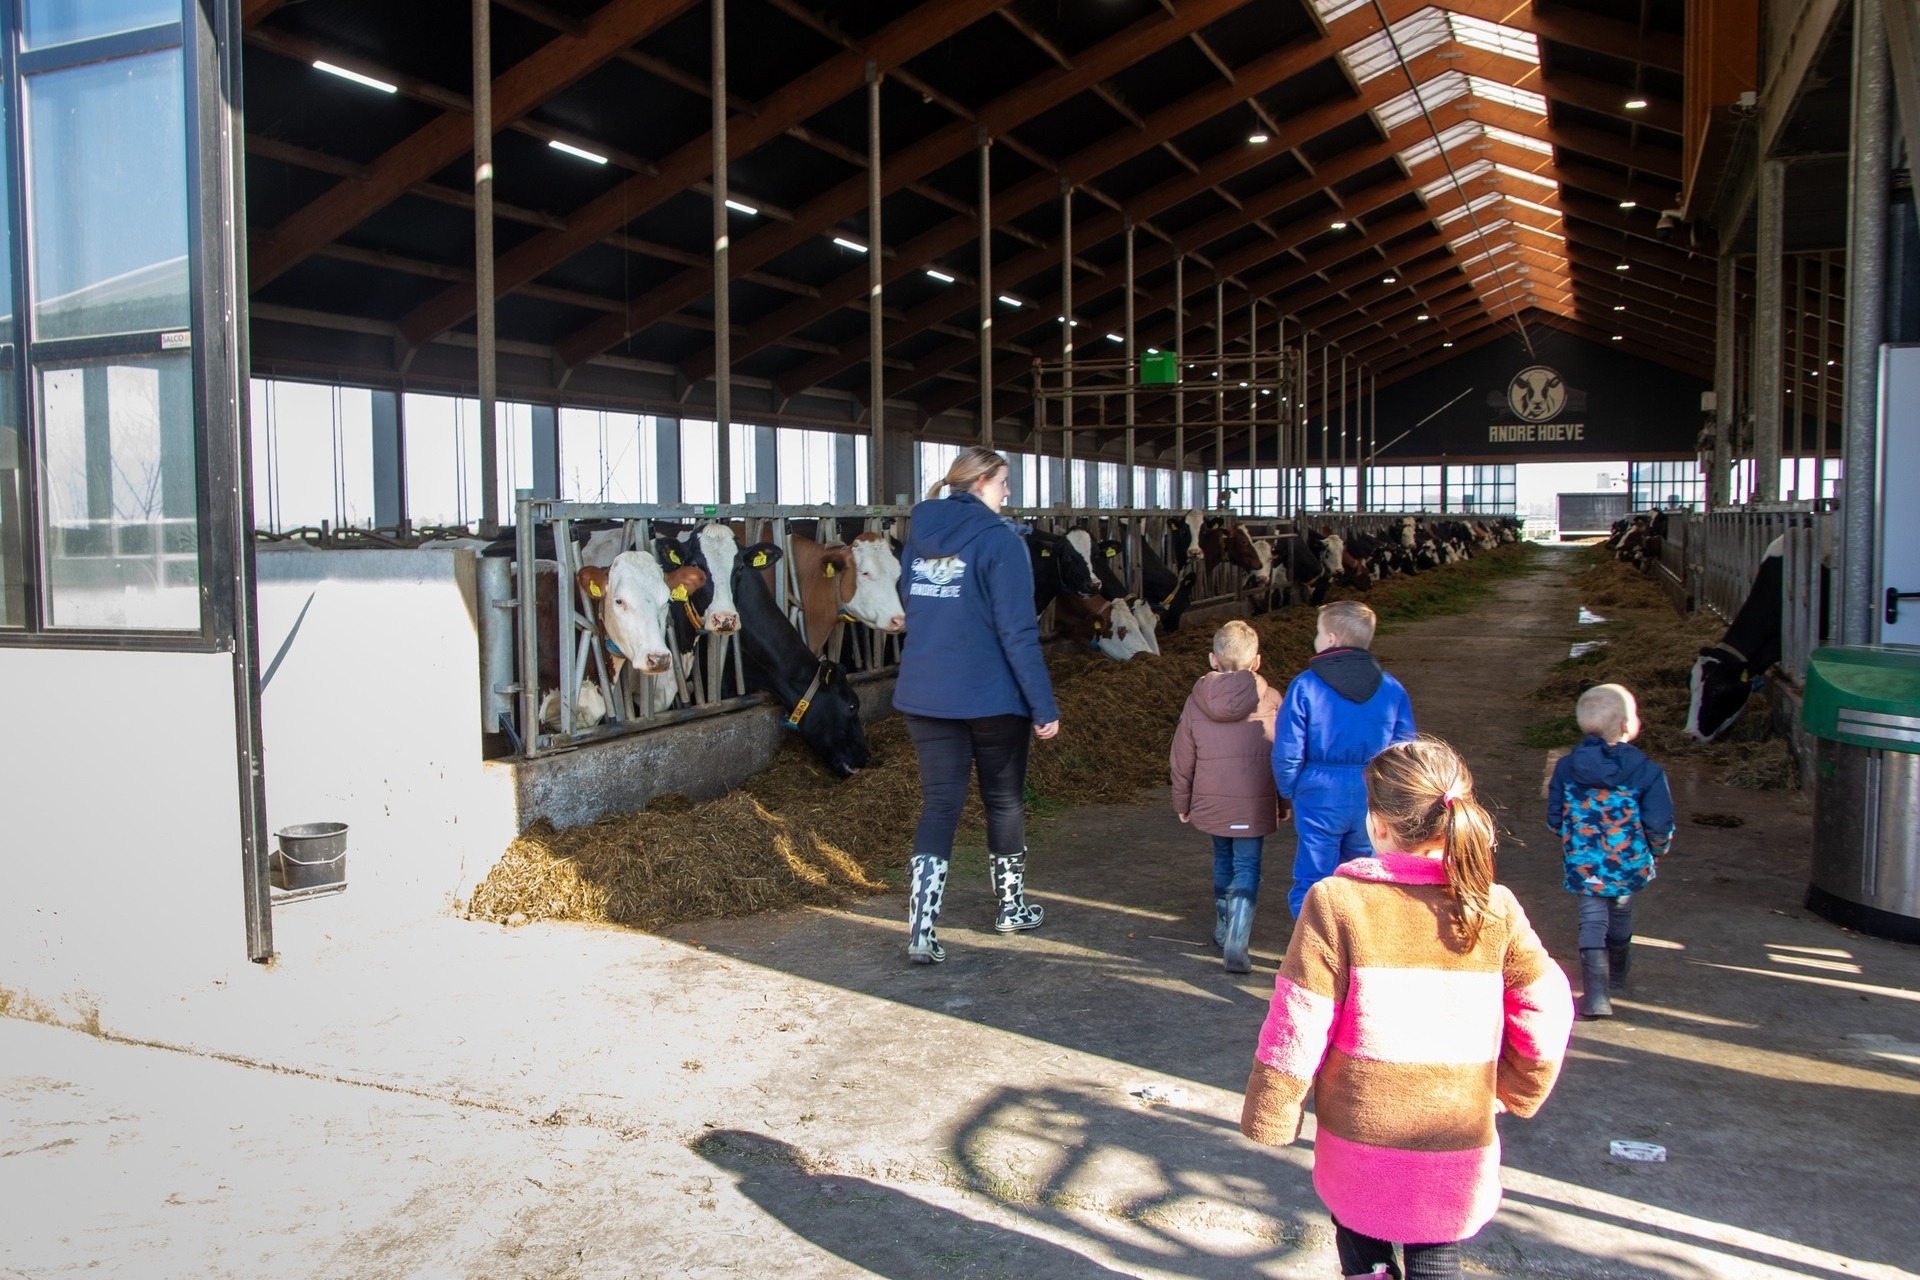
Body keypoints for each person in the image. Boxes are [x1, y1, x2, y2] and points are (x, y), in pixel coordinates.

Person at [1241, 738, 1574, 1280]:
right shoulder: (1494, 908)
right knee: (1438, 1256)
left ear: (1377, 825)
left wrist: (1273, 1110)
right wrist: (1517, 1085)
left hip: (1360, 1133)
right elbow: (1547, 1005)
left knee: (1361, 1243)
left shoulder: (1336, 903)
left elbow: (1299, 1019)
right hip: (1457, 1133)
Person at [893, 447, 1060, 965]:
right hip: (992, 694)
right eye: (1005, 482)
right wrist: (1043, 705)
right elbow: (1018, 631)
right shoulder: (1000, 541)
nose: (1008, 493)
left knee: (941, 803)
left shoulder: (919, 535)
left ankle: (922, 926)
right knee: (1003, 799)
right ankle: (1010, 907)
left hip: (926, 691)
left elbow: (908, 597)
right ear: (983, 481)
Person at [1272, 600, 1417, 918]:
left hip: (1319, 789)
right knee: (1365, 875)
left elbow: (1288, 748)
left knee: (1314, 878)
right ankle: (1359, 950)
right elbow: (1404, 749)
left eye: (1318, 632)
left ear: (1332, 640)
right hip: (1373, 792)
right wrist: (1393, 794)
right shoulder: (1391, 689)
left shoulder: (1305, 686)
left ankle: (1316, 953)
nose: (1316, 639)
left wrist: (1291, 788)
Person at [1546, 683, 1675, 1018]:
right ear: (1626, 726)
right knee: (1619, 910)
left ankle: (1596, 995)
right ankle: (1617, 970)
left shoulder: (1566, 768)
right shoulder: (1646, 772)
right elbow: (1658, 821)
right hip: (1627, 862)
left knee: (1591, 918)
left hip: (1584, 862)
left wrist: (1572, 837)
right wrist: (1659, 847)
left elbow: (1555, 817)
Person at [1169, 620, 1284, 974]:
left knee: (1223, 859)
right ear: (1257, 662)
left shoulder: (1195, 701)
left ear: (1212, 659)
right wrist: (1284, 802)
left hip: (1213, 801)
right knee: (1248, 865)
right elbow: (1284, 755)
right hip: (1254, 801)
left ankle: (1223, 924)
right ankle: (1239, 931)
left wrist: (1182, 802)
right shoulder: (1273, 699)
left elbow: (1181, 757)